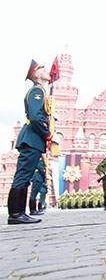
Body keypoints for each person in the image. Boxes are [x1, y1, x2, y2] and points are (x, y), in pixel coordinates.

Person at [8, 60, 52, 224]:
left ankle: (19, 212)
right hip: (32, 138)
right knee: (23, 175)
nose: (46, 71)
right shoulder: (36, 91)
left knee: (24, 176)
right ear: (37, 74)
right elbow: (35, 117)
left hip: (34, 139)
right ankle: (15, 214)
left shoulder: (40, 91)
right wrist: (47, 133)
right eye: (42, 69)